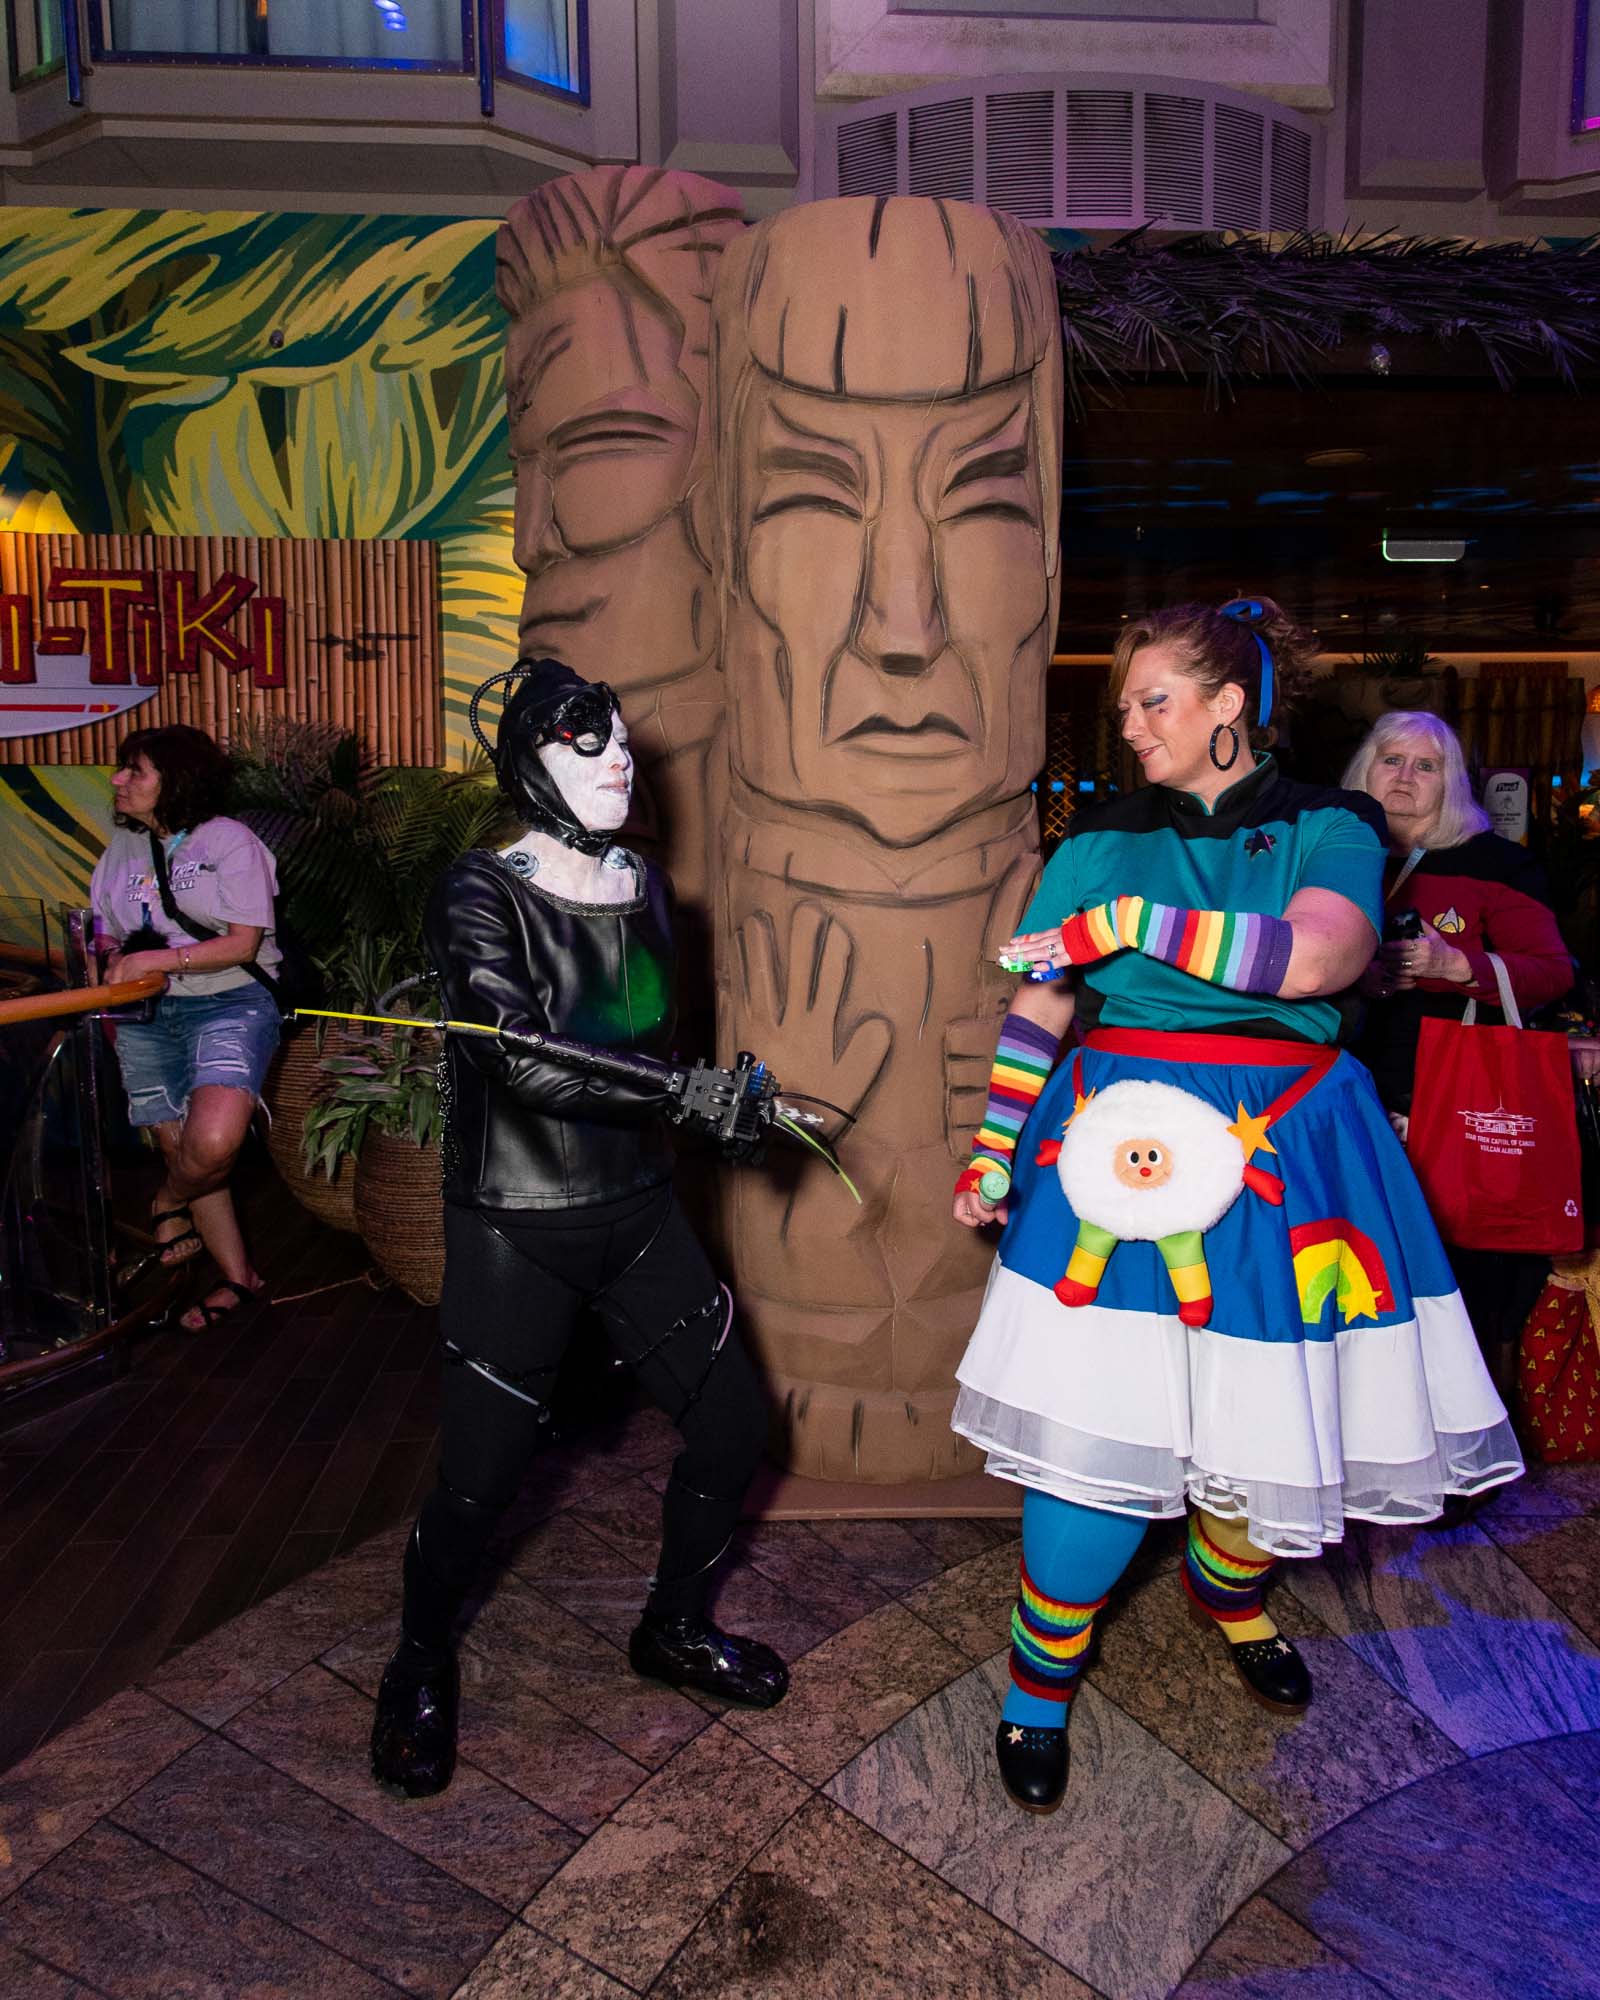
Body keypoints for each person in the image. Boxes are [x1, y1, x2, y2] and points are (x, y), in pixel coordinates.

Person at [950, 600, 1522, 1816]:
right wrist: (994, 1148)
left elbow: (1317, 958)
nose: (1129, 724)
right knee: (1094, 1427)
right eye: (1123, 706)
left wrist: (1131, 926)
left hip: (1289, 1146)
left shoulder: (1331, 823)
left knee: (1274, 1408)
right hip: (1113, 1145)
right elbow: (1040, 1005)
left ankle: (1227, 1589)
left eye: (1153, 700)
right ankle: (1037, 1687)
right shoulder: (1094, 837)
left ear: (1228, 705)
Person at [369, 657, 787, 1802]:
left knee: (732, 1426)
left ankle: (673, 1625)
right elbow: (517, 1056)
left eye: (620, 738)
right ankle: (416, 1662)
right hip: (516, 1225)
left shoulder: (645, 885)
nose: (618, 759)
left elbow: (652, 1041)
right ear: (527, 760)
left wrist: (723, 1113)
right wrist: (682, 1099)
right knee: (479, 1482)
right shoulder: (476, 889)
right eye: (581, 738)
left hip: (638, 1210)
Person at [1344, 710, 1574, 1394]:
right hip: (1339, 1092)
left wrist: (1457, 965)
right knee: (1352, 1267)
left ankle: (1458, 1427)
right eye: (1392, 760)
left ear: (1452, 783)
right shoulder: (1329, 850)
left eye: (1427, 766)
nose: (1405, 777)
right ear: (1365, 769)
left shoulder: (1496, 863)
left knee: (1449, 1284)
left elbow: (1553, 972)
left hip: (1449, 1104)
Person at [90, 724, 280, 1332]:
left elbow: (243, 943)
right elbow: (104, 925)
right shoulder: (123, 847)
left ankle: (164, 1202)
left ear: (177, 781)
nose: (118, 780)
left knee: (213, 1143)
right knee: (182, 1149)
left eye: (135, 770)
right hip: (144, 1013)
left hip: (229, 1003)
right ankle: (238, 1277)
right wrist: (108, 955)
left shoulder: (229, 841)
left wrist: (157, 958)